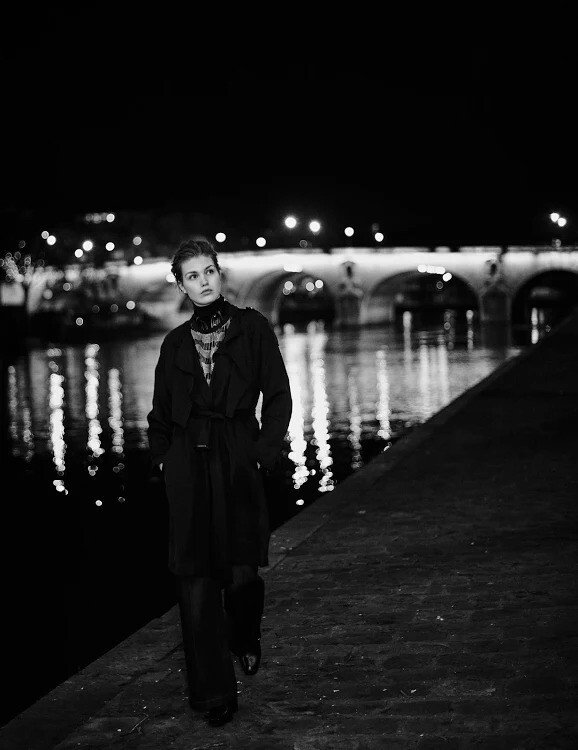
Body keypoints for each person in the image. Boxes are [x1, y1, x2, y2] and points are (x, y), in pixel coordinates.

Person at [147, 239, 292, 727]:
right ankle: (214, 694)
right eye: (192, 275)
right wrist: (165, 461)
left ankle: (245, 633)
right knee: (195, 579)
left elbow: (278, 396)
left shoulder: (252, 328)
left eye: (208, 271)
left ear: (219, 273)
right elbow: (160, 414)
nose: (203, 281)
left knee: (242, 570)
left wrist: (261, 452)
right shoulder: (173, 344)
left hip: (236, 456)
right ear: (181, 285)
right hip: (188, 464)